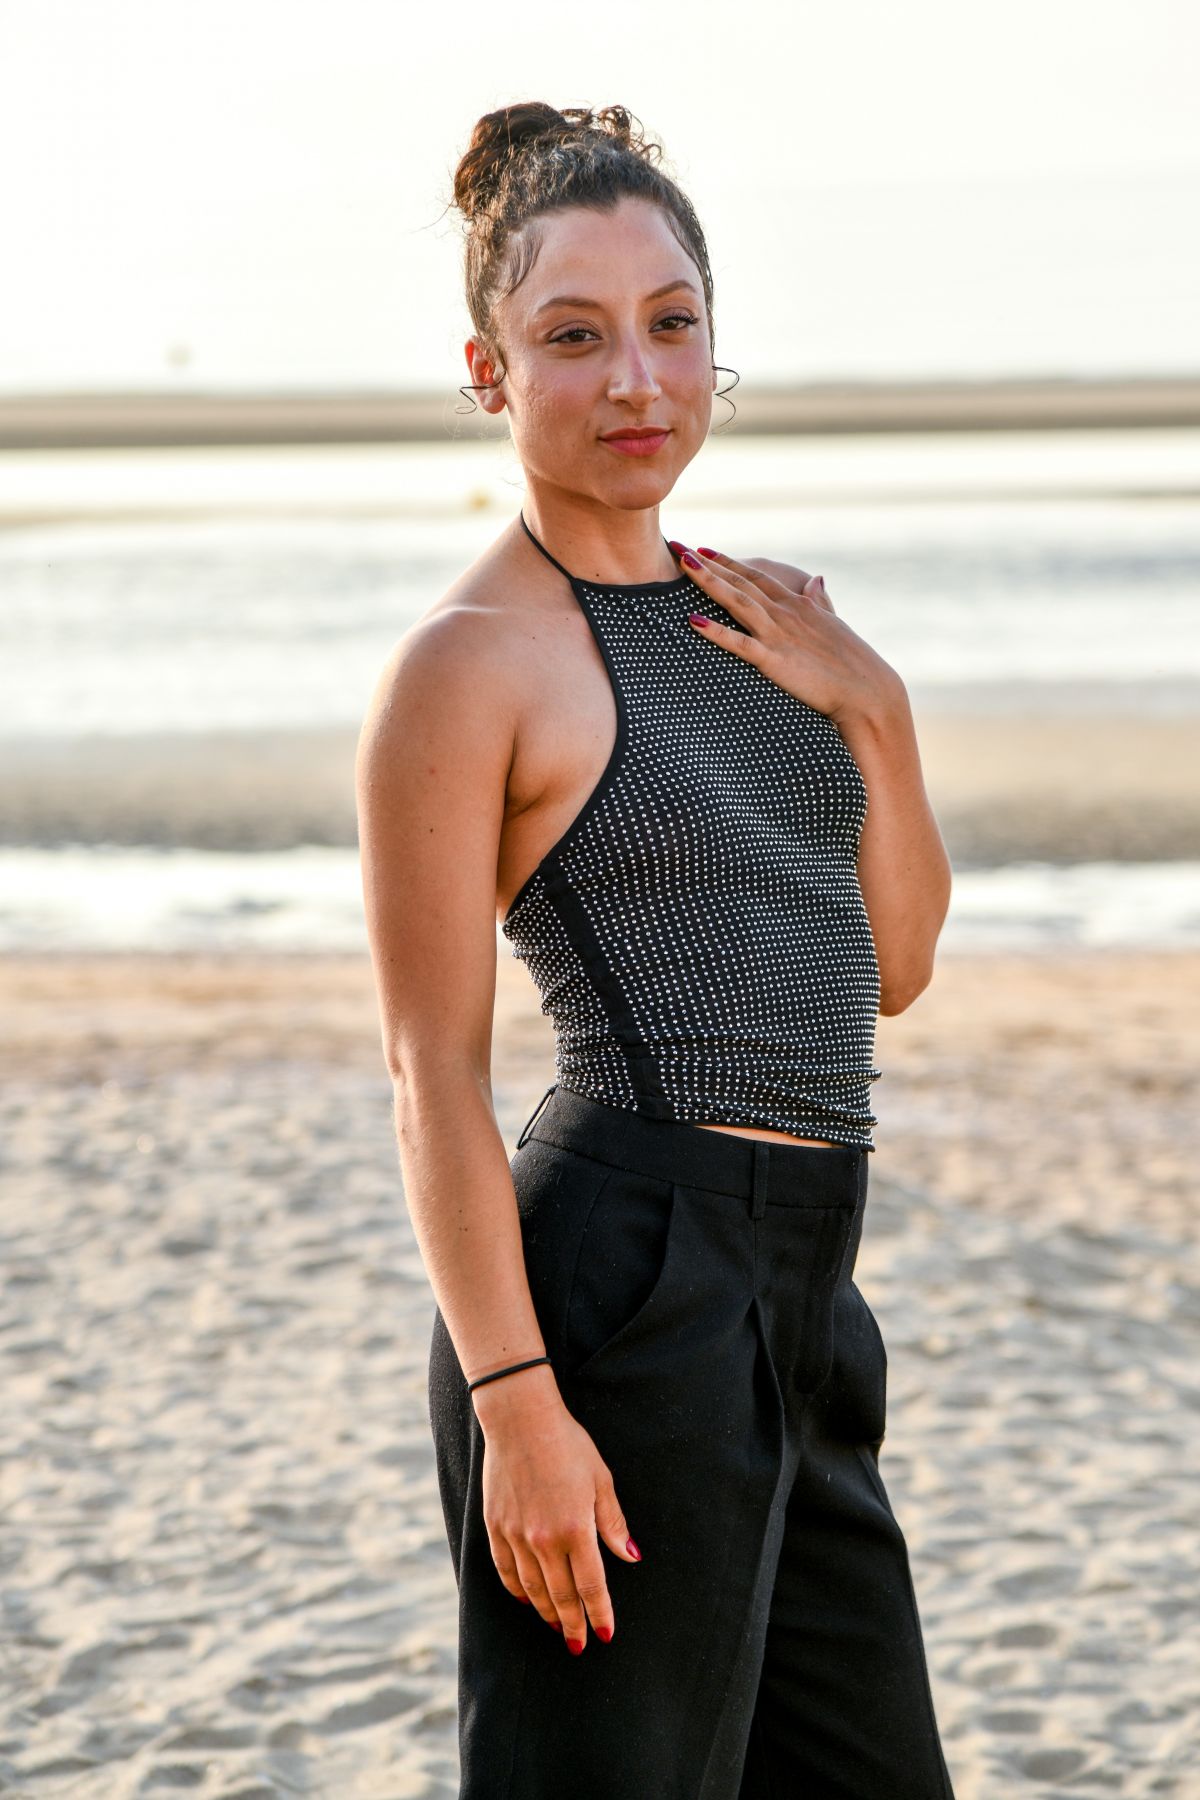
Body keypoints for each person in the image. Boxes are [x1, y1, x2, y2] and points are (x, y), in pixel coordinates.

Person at [356, 101, 956, 1800]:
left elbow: (894, 966)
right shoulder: (468, 664)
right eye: (574, 336)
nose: (637, 380)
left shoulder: (768, 622)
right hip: (617, 1292)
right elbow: (431, 1071)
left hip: (806, 1289)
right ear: (489, 372)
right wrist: (517, 1405)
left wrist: (880, 712)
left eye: (672, 325)